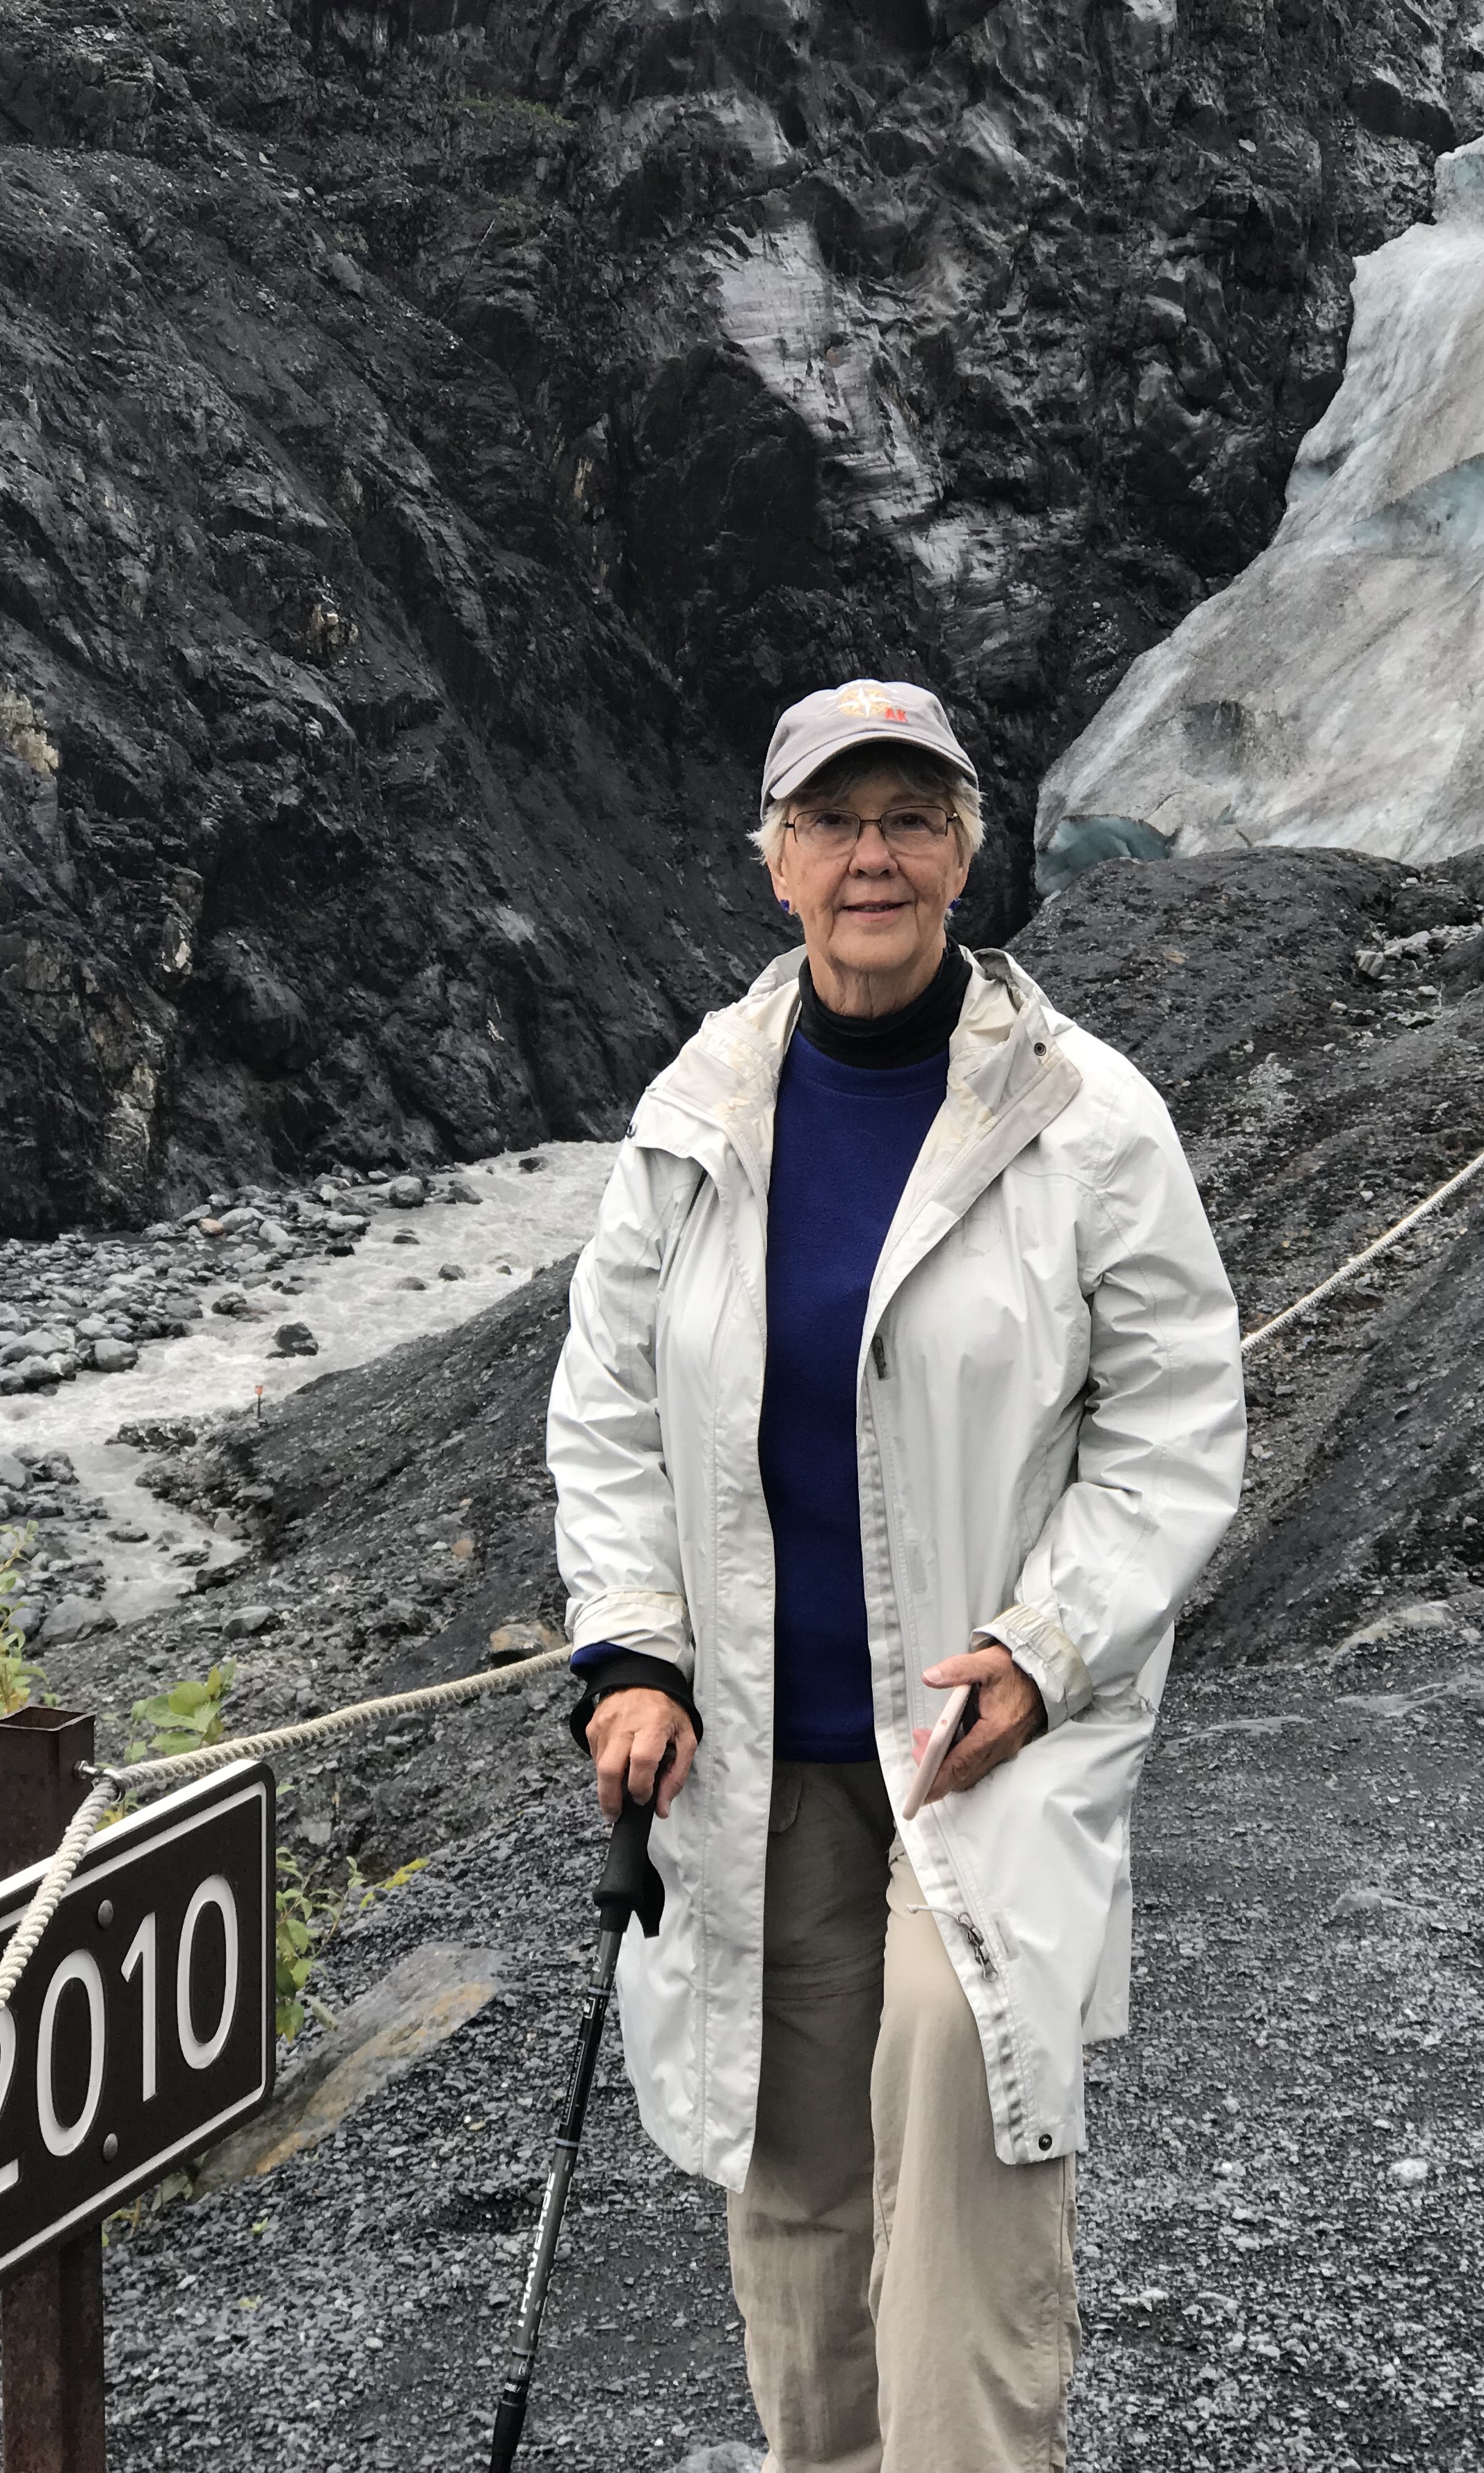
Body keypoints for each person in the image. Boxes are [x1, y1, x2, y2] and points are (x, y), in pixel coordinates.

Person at [549, 677, 1245, 2473]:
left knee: (960, 2078)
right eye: (835, 822)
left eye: (911, 819)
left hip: (979, 1732)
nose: (873, 857)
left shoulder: (1086, 1117)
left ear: (964, 852)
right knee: (796, 2176)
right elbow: (608, 1410)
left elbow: (1175, 1420)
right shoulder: (696, 1115)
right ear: (776, 860)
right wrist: (633, 1654)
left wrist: (1047, 1642)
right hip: (758, 1743)